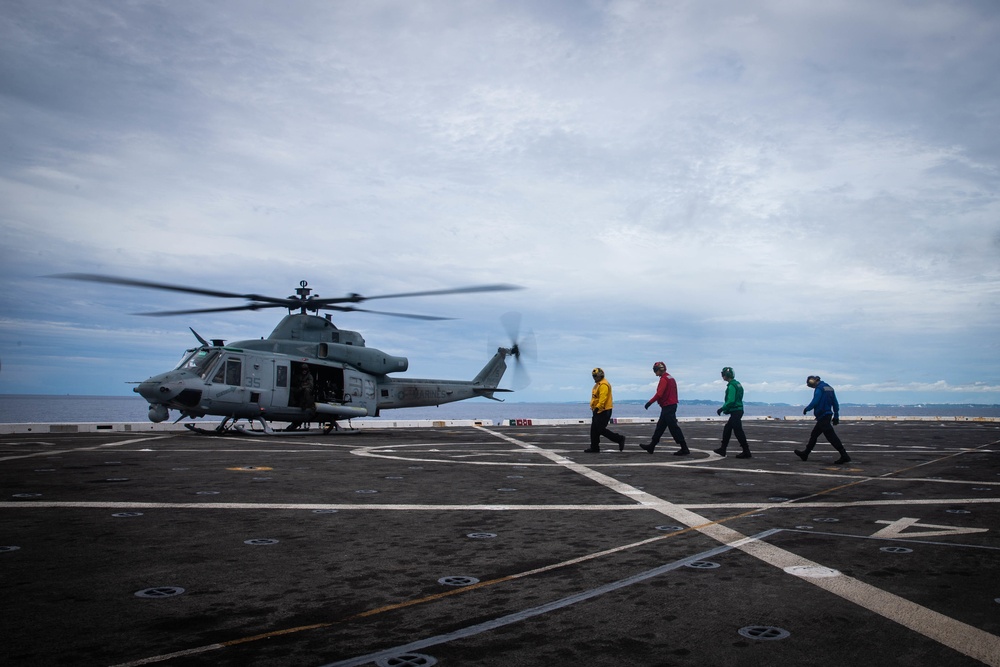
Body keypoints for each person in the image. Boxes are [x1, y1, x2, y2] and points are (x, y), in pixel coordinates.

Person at [795, 375, 851, 464]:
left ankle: (844, 455)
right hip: (826, 416)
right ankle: (805, 453)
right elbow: (835, 403)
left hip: (823, 416)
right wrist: (836, 415)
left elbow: (815, 401)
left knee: (831, 436)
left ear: (814, 381)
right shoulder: (829, 388)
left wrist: (807, 408)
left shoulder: (819, 389)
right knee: (814, 434)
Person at [640, 361, 689, 456]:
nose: (655, 372)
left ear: (659, 370)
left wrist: (649, 402)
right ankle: (652, 446)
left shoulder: (664, 379)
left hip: (668, 406)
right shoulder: (671, 378)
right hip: (671, 405)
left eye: (655, 370)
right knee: (660, 426)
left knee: (673, 428)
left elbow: (659, 394)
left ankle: (684, 448)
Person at [714, 367, 752, 458]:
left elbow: (731, 400)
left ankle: (746, 451)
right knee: (727, 428)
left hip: (735, 411)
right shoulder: (738, 384)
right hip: (738, 410)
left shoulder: (731, 386)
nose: (722, 376)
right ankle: (723, 449)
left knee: (738, 431)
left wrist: (722, 408)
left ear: (726, 375)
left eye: (723, 374)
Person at [585, 367, 626, 453]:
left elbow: (603, 399)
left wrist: (597, 408)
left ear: (600, 376)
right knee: (594, 430)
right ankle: (594, 447)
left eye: (595, 376)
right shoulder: (597, 385)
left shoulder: (603, 385)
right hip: (598, 410)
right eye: (593, 376)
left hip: (604, 411)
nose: (594, 378)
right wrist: (593, 407)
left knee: (600, 429)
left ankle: (619, 438)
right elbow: (595, 398)